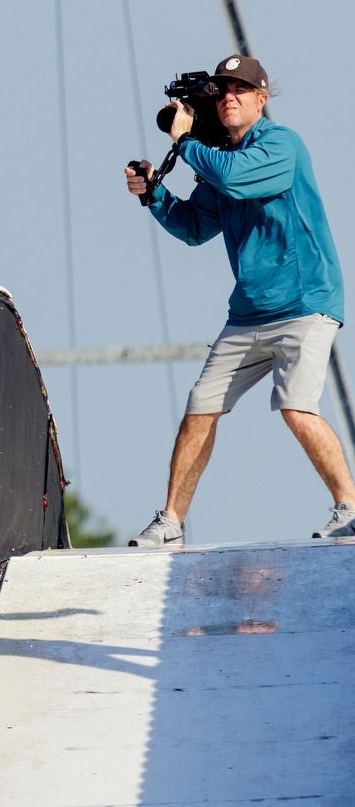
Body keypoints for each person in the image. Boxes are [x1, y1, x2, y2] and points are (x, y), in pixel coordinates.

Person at [122, 54, 353, 546]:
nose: (229, 97)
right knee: (199, 408)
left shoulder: (280, 145)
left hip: (305, 304)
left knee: (295, 406)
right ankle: (171, 522)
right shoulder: (219, 161)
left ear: (262, 100)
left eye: (241, 90)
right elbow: (193, 228)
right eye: (223, 90)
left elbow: (236, 177)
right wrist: (153, 194)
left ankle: (350, 507)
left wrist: (184, 141)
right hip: (249, 312)